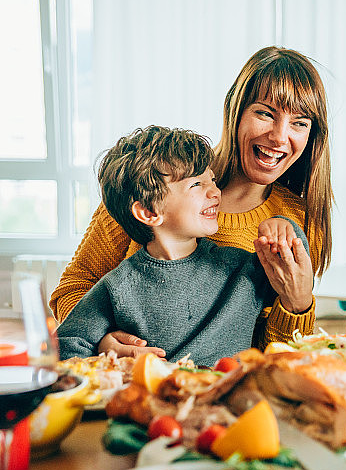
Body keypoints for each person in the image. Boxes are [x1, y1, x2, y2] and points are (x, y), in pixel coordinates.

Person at [51, 46, 333, 356]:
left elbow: (277, 355)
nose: (280, 137)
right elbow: (74, 288)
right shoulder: (155, 181)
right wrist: (104, 341)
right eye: (265, 113)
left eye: (300, 123)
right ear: (235, 111)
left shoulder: (298, 222)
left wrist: (298, 303)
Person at [57, 126, 311, 365]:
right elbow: (66, 344)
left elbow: (294, 271)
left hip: (229, 402)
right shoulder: (118, 286)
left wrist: (284, 226)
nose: (215, 192)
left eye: (211, 180)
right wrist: (105, 360)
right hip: (155, 403)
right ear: (148, 212)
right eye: (197, 184)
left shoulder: (241, 269)